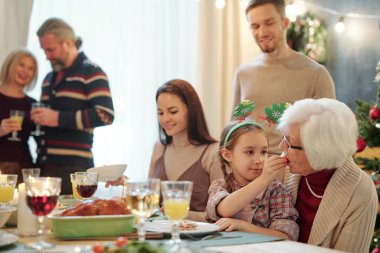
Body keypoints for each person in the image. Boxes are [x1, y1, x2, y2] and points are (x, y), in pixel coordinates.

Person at [232, 0, 335, 154]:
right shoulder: (243, 74)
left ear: (285, 23)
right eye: (255, 26)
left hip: (292, 172)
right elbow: (235, 127)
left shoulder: (316, 74)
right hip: (246, 174)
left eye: (269, 23)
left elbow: (327, 136)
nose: (262, 32)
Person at [278, 98, 377, 252]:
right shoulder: (282, 169)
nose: (281, 147)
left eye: (289, 143)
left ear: (317, 152)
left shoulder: (360, 192)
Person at [31, 18, 114, 194]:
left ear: (68, 43)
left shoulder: (92, 71)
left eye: (50, 49)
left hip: (74, 168)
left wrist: (57, 118)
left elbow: (105, 115)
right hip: (44, 165)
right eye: (44, 50)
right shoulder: (48, 78)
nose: (46, 56)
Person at [205, 120, 299, 240]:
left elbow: (286, 237)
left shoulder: (276, 191)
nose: (259, 160)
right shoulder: (219, 186)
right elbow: (225, 210)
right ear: (227, 155)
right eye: (249, 152)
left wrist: (242, 226)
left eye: (264, 152)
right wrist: (263, 180)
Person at [149, 79, 223, 221]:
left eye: (173, 111)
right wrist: (125, 185)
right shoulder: (159, 148)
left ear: (191, 110)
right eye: (160, 113)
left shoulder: (213, 152)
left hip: (201, 238)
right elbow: (150, 203)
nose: (165, 119)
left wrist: (183, 214)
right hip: (160, 235)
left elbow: (222, 214)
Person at [0, 49, 38, 184]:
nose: (25, 71)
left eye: (30, 68)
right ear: (10, 65)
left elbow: (40, 137)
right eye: (21, 65)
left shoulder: (33, 104)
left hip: (25, 168)